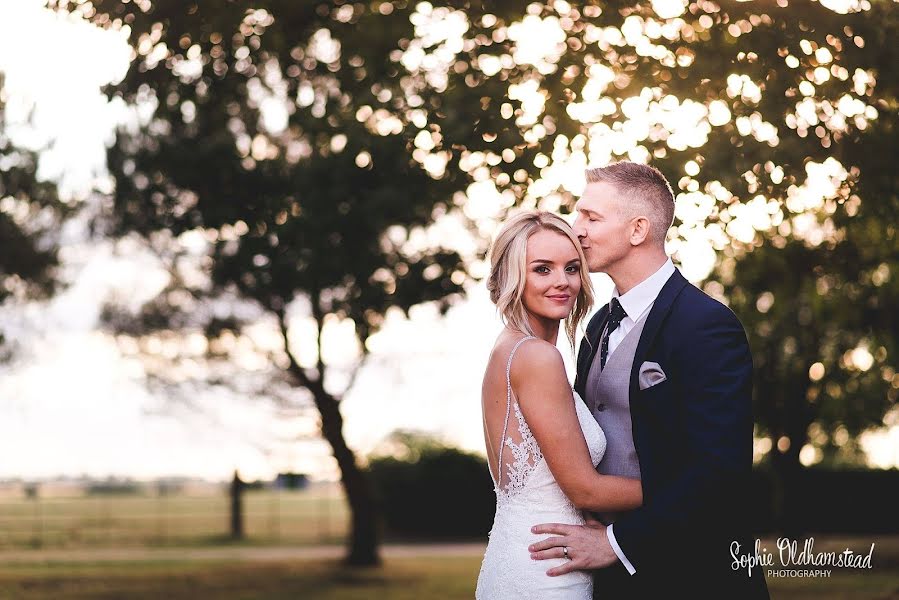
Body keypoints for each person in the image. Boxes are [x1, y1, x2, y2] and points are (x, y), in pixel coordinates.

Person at [528, 162, 770, 598]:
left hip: (694, 575)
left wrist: (617, 543)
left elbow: (721, 472)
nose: (575, 228)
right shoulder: (598, 324)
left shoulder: (706, 325)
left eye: (591, 217)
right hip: (608, 581)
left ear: (638, 230)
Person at [476, 211, 643, 599]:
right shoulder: (537, 357)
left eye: (571, 268)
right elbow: (586, 490)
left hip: (521, 557)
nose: (562, 282)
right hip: (546, 572)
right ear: (511, 278)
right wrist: (688, 486)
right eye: (542, 269)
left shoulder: (507, 349)